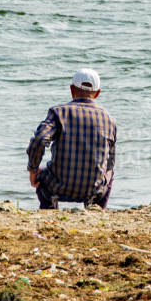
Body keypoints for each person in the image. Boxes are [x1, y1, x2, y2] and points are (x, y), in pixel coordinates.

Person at [27, 67, 117, 210]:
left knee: (42, 172)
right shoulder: (109, 119)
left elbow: (39, 140)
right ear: (98, 93)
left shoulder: (58, 113)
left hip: (57, 186)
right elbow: (110, 162)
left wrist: (33, 169)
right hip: (93, 190)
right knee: (109, 172)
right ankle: (96, 209)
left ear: (71, 89)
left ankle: (48, 208)